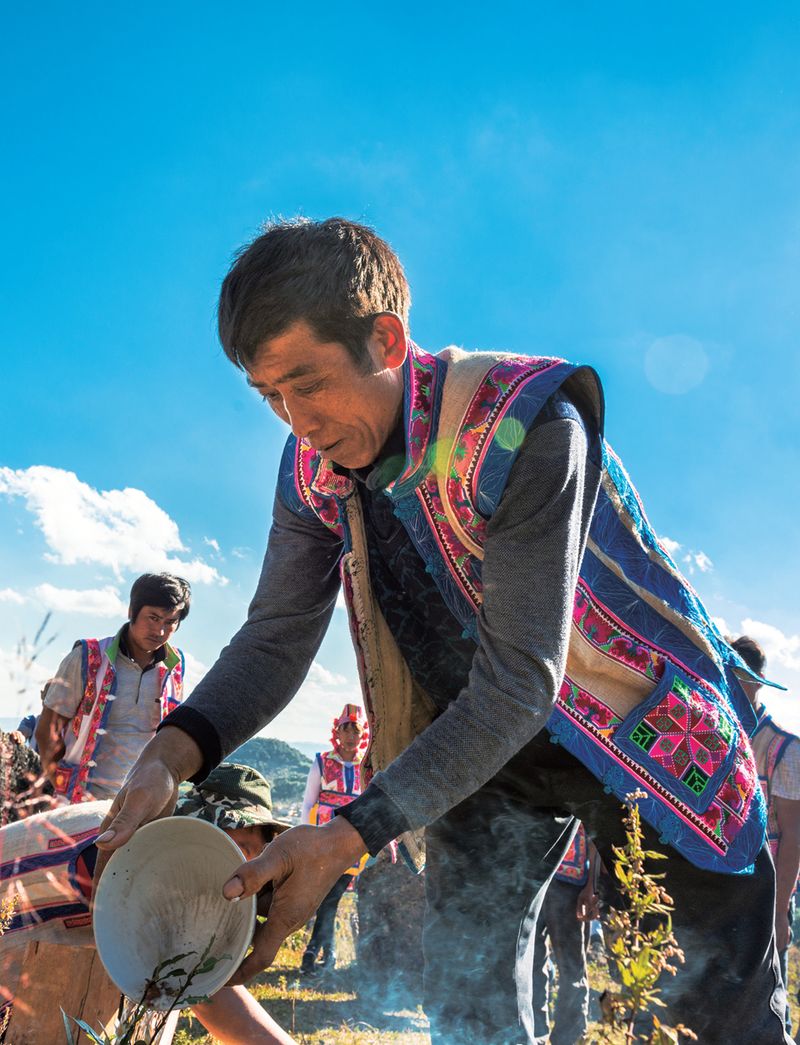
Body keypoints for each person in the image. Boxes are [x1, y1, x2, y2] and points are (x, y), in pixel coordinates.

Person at [96, 218, 788, 1044]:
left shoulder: (526, 423)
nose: (296, 420)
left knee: (709, 1005)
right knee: (469, 1006)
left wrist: (346, 834)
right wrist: (167, 757)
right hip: (476, 754)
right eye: (270, 396)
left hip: (645, 743)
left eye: (307, 382)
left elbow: (522, 679)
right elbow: (278, 633)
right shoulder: (313, 466)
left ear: (386, 339)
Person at [0, 763, 296, 1045]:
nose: (242, 869)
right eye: (239, 850)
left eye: (252, 858)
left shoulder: (133, 820)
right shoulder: (132, 859)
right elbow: (201, 990)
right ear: (206, 830)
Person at [35, 573, 190, 803]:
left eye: (170, 622)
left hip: (138, 803)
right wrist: (59, 792)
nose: (159, 631)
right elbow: (48, 730)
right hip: (79, 800)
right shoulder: (87, 657)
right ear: (131, 611)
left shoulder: (174, 667)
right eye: (153, 618)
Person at [733, 634, 800, 1031]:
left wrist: (778, 910)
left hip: (767, 892)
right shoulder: (715, 737)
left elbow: (793, 838)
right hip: (725, 888)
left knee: (771, 1003)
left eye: (743, 678)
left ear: (758, 681)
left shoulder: (783, 749)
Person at [299, 703, 368, 975]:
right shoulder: (322, 762)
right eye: (345, 729)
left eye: (356, 730)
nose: (350, 736)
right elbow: (307, 803)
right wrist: (307, 840)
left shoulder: (367, 766)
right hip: (323, 840)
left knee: (332, 894)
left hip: (352, 842)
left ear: (363, 735)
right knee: (328, 896)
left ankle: (317, 952)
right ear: (336, 733)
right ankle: (322, 952)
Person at [532, 823, 599, 1044]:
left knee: (571, 968)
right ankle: (535, 1034)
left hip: (571, 882)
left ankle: (569, 1038)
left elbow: (597, 834)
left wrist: (592, 887)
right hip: (534, 876)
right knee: (529, 963)